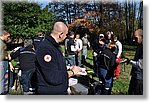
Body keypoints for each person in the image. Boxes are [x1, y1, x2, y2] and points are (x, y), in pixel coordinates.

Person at [35, 22, 81, 95]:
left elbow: (55, 65)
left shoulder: (54, 46)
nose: (66, 37)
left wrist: (67, 68)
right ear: (61, 34)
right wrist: (72, 72)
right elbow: (53, 77)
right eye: (66, 34)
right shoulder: (46, 48)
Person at [126, 29, 143, 95]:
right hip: (135, 75)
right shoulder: (139, 46)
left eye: (135, 38)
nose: (133, 40)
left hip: (140, 78)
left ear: (142, 37)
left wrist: (129, 61)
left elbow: (141, 64)